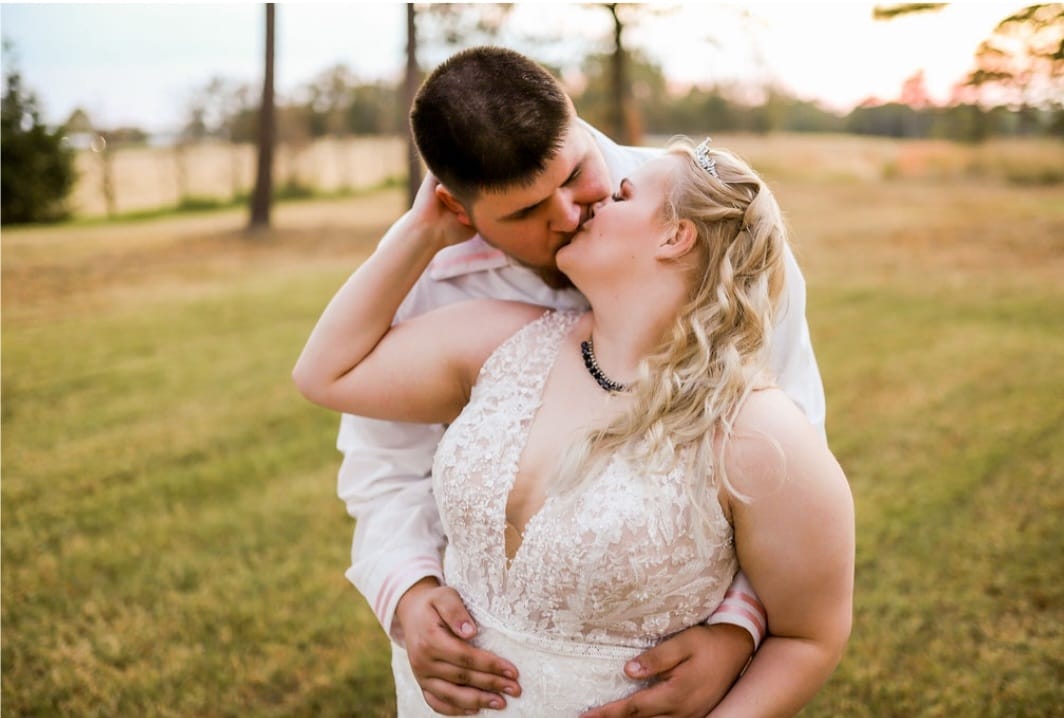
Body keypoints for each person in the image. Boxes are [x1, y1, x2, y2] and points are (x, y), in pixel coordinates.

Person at [332, 47, 828, 717]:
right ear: (460, 207)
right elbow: (384, 461)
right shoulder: (422, 277)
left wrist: (739, 630)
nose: (570, 215)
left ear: (578, 123)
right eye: (526, 213)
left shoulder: (718, 237)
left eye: (579, 175)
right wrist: (409, 592)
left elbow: (787, 461)